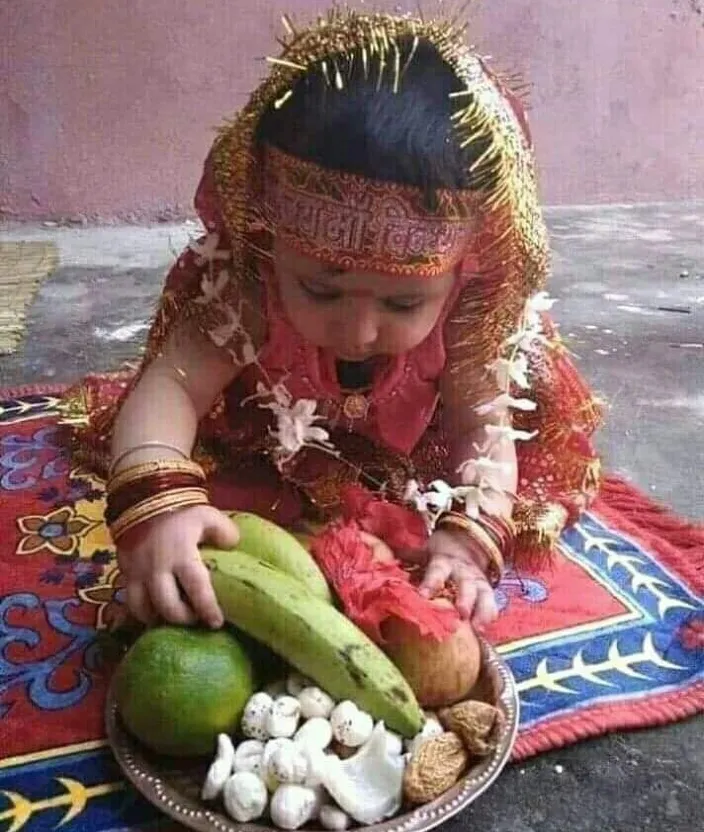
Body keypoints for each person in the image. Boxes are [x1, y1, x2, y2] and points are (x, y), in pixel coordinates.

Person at [62, 8, 602, 639]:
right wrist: (157, 509)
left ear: (464, 268)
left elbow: (481, 427)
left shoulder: (466, 318)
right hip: (278, 433)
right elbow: (173, 389)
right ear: (268, 234)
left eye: (402, 304)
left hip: (415, 450)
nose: (360, 331)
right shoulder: (250, 290)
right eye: (320, 288)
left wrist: (464, 540)